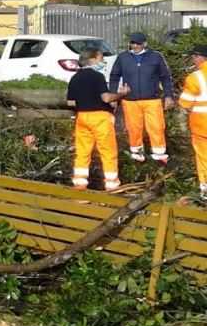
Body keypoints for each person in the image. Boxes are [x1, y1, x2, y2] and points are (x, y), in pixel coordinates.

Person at [66, 47, 129, 190]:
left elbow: (70, 102)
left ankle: (80, 186)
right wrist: (121, 94)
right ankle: (112, 186)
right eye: (101, 58)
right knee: (108, 152)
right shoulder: (97, 76)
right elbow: (106, 98)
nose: (104, 61)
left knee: (82, 153)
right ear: (92, 60)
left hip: (81, 117)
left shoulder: (75, 77)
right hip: (100, 117)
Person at [109, 32, 176, 164]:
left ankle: (159, 155)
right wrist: (113, 96)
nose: (135, 46)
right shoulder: (123, 58)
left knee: (156, 127)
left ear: (145, 44)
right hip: (130, 100)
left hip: (152, 99)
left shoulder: (156, 57)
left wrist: (169, 95)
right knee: (134, 128)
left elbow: (165, 77)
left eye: (138, 43)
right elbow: (114, 77)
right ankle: (137, 154)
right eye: (132, 43)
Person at [177, 44, 207, 200]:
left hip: (202, 127)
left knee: (203, 158)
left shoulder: (195, 77)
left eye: (193, 57)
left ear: (198, 57)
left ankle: (205, 192)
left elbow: (185, 103)